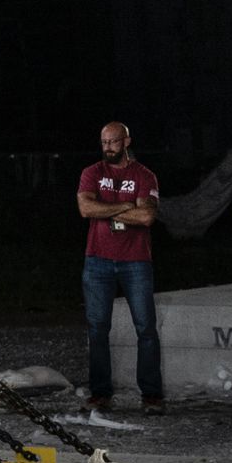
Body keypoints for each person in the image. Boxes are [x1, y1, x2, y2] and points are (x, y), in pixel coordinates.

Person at [77, 120, 163, 411]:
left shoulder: (144, 175)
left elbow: (147, 217)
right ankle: (101, 392)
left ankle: (151, 393)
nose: (108, 147)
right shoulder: (92, 173)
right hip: (97, 260)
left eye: (113, 142)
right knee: (98, 327)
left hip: (135, 261)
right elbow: (85, 208)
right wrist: (127, 206)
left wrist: (108, 210)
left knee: (145, 328)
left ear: (126, 142)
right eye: (104, 142)